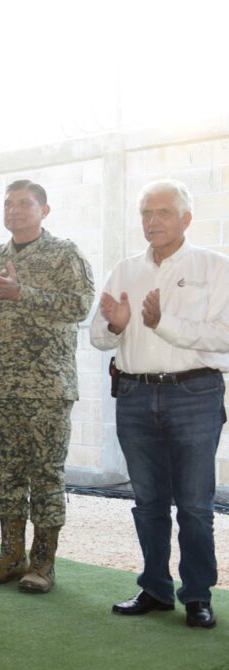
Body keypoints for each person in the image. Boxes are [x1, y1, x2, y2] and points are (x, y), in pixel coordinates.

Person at [90, 179, 226, 629]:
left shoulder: (214, 267)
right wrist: (115, 326)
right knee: (147, 501)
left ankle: (198, 595)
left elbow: (224, 336)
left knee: (193, 504)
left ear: (186, 219)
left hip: (195, 394)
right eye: (146, 213)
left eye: (163, 212)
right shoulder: (125, 270)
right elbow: (97, 336)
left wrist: (162, 323)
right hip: (134, 394)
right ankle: (154, 588)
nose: (152, 221)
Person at [0, 180, 94, 593]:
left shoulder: (65, 254)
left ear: (44, 210)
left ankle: (43, 564)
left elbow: (79, 305)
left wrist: (21, 293)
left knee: (47, 475)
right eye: (9, 204)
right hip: (0, 384)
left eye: (24, 204)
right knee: (8, 473)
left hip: (48, 386)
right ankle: (10, 556)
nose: (14, 210)